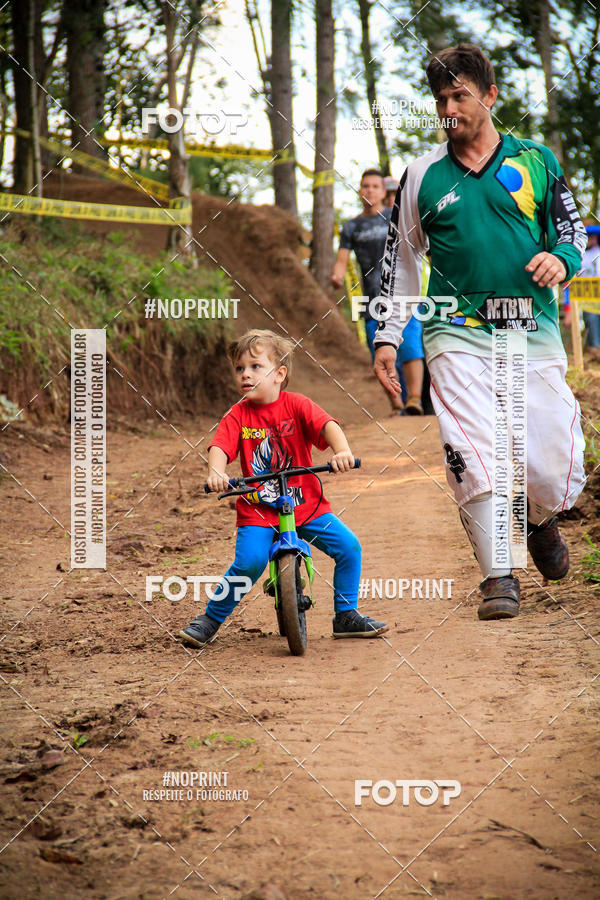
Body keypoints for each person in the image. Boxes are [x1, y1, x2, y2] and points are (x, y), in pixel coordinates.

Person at [373, 45, 587, 620]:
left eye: (459, 95)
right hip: (455, 330)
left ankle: (538, 516)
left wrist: (562, 260)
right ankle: (499, 573)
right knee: (471, 447)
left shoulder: (536, 160)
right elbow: (402, 264)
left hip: (531, 327)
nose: (448, 107)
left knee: (550, 460)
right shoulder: (422, 175)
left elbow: (569, 230)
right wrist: (388, 336)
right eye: (440, 98)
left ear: (490, 97)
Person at [179, 329, 388, 646]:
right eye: (239, 369)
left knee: (349, 548)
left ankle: (346, 615)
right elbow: (220, 447)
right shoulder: (237, 415)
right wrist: (217, 473)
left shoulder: (297, 405)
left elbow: (327, 425)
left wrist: (341, 452)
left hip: (306, 505)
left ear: (279, 374)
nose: (245, 374)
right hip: (258, 510)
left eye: (255, 367)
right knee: (249, 562)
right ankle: (210, 619)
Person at [331, 168, 425, 415]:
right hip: (372, 301)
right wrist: (337, 275)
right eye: (365, 186)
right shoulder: (351, 226)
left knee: (411, 346)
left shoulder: (397, 217)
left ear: (384, 192)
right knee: (379, 350)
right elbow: (342, 258)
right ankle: (397, 405)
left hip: (405, 296)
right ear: (359, 191)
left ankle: (414, 399)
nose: (369, 190)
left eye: (374, 186)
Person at [581, 225, 600, 355]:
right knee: (591, 319)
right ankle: (594, 349)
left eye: (592, 237)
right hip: (589, 294)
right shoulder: (581, 256)